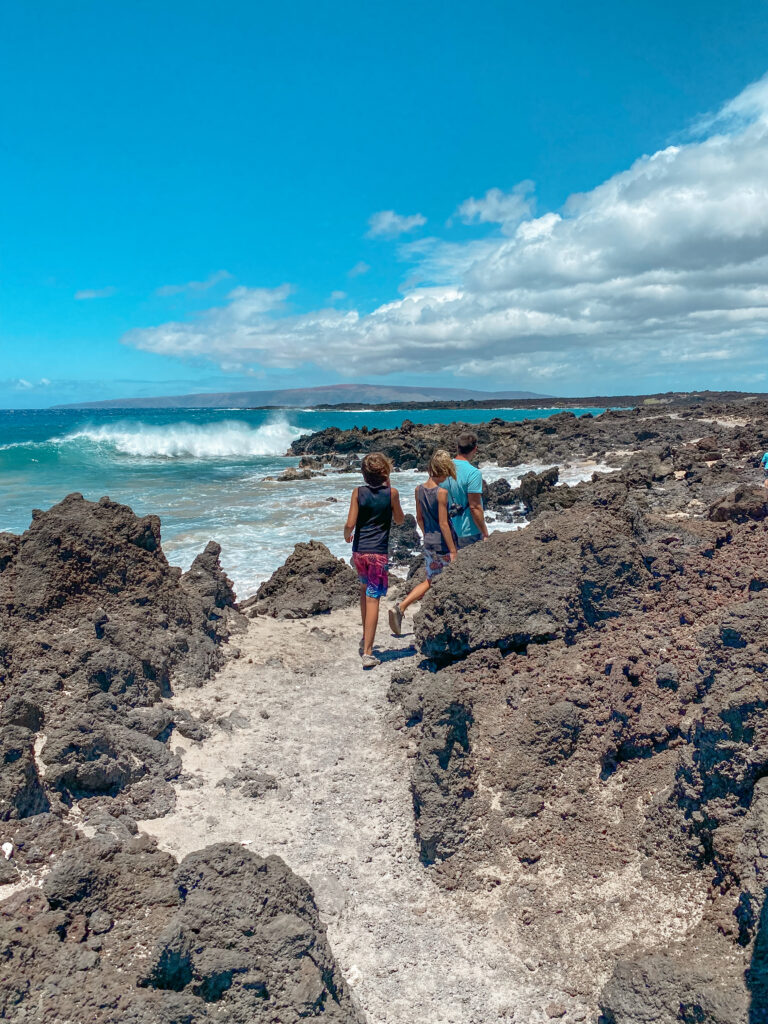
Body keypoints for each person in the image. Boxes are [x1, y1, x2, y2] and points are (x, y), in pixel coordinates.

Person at [388, 450, 458, 636]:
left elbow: (419, 518)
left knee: (431, 579)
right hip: (442, 543)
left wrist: (427, 534)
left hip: (428, 540)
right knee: (438, 581)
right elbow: (444, 523)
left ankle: (402, 608)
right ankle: (402, 607)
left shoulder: (419, 489)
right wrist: (453, 550)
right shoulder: (441, 492)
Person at [344, 452, 404, 668]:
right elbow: (399, 519)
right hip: (377, 553)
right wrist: (390, 489)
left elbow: (351, 522)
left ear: (364, 474)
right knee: (373, 599)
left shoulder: (357, 492)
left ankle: (364, 638)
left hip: (359, 551)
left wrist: (346, 534)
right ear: (385, 472)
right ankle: (368, 652)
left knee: (364, 591)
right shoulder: (392, 494)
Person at [442, 431, 489, 547]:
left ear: (457, 447)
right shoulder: (473, 473)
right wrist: (485, 532)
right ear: (475, 449)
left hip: (447, 529)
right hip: (469, 531)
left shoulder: (443, 469)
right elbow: (475, 507)